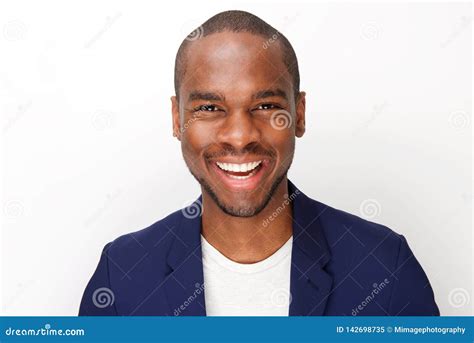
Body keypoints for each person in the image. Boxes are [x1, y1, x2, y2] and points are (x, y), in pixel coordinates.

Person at [79, 10, 439, 316]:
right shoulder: (122, 275)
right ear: (177, 119)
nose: (239, 136)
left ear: (298, 114)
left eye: (266, 106)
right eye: (209, 108)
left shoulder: (384, 268)